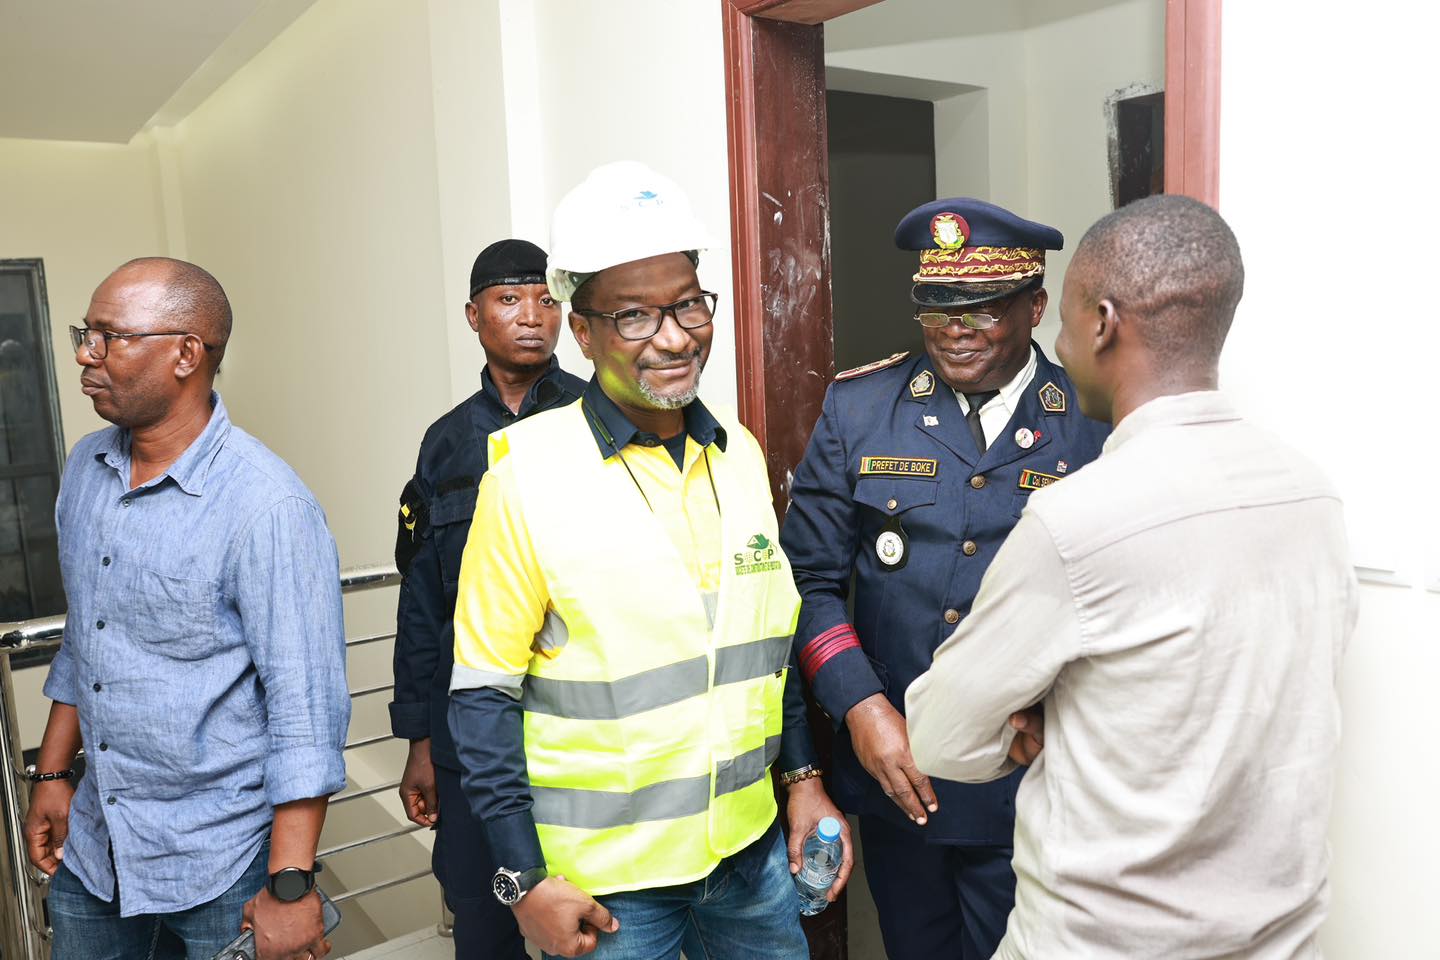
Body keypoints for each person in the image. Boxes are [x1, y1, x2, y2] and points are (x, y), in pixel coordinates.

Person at [906, 195, 1357, 958]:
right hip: (1279, 937)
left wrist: (1039, 724)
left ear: (1103, 322)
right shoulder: (1311, 491)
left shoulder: (1076, 520)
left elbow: (942, 735)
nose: (1057, 337)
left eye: (1066, 316)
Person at [448, 161, 851, 960]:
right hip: (607, 890)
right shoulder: (524, 472)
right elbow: (481, 697)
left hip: (750, 859)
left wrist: (803, 784)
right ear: (583, 331)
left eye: (688, 305)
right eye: (634, 316)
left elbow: (763, 651)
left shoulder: (736, 453)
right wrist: (523, 880)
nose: (674, 337)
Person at [781, 197, 1111, 959]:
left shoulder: (1091, 421)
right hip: (901, 767)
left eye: (981, 308)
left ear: (1033, 306)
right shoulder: (860, 408)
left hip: (1032, 775)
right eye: (936, 306)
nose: (954, 330)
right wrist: (861, 709)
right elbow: (808, 583)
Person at [23, 257, 349, 960]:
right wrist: (53, 774)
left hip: (221, 862)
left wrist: (291, 888)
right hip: (97, 847)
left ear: (185, 354)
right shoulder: (86, 468)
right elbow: (89, 638)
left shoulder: (268, 507)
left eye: (111, 336)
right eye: (88, 332)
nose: (86, 353)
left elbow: (305, 709)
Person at [389, 238, 584, 958]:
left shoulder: (600, 422)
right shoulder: (444, 446)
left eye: (545, 298)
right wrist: (419, 740)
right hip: (470, 729)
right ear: (474, 315)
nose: (531, 315)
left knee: (590, 916)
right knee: (482, 912)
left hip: (574, 728)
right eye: (509, 299)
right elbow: (422, 604)